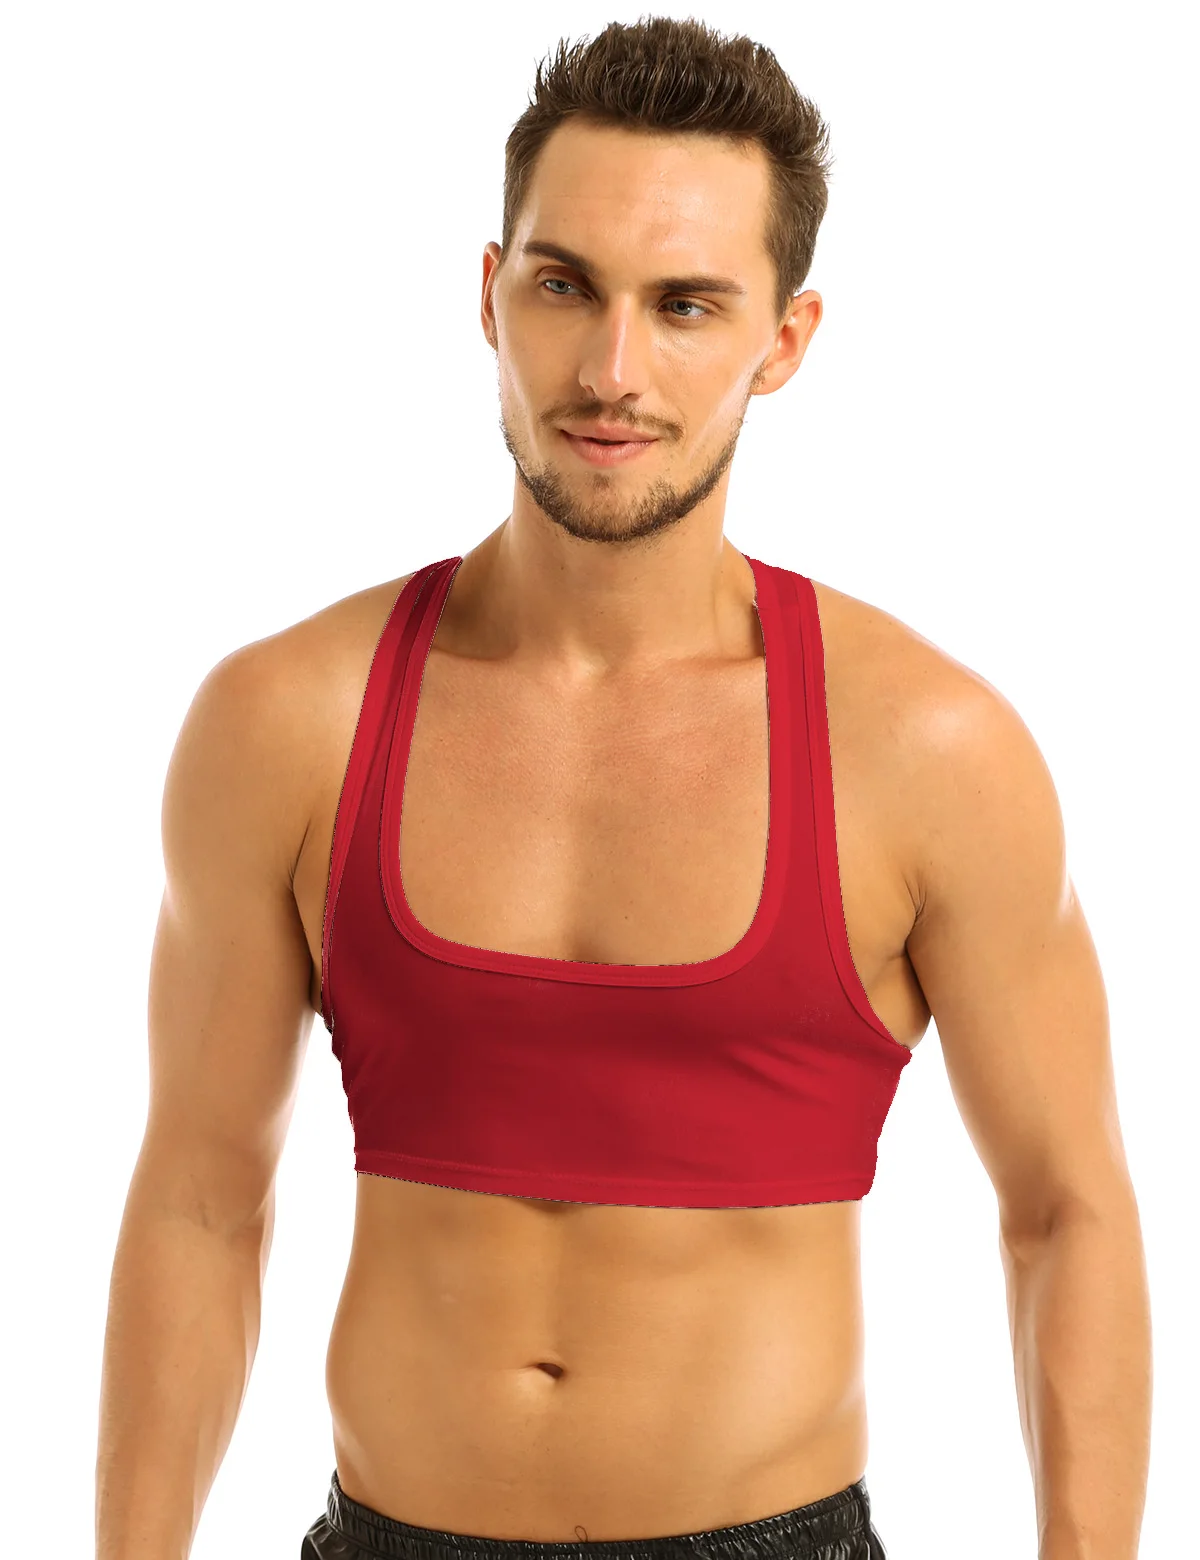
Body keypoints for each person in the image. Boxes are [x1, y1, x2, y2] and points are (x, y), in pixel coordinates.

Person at [95, 17, 1151, 1560]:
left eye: (686, 305)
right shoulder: (286, 723)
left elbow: (1067, 1211)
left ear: (783, 341)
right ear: (490, 293)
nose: (611, 371)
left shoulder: (927, 749)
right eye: (565, 286)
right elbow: (199, 1200)